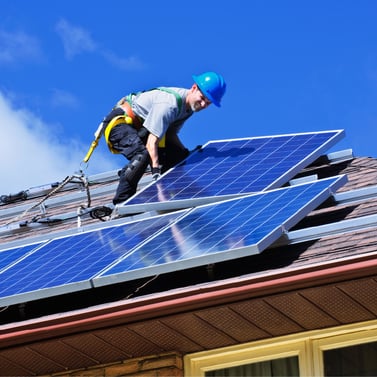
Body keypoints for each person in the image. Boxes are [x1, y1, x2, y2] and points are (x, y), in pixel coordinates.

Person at [101, 71, 226, 205]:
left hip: (142, 130)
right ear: (194, 88)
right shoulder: (170, 104)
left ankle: (177, 193)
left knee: (179, 156)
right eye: (202, 98)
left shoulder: (188, 109)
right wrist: (156, 173)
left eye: (207, 103)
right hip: (119, 125)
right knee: (142, 156)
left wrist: (186, 153)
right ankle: (122, 203)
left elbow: (170, 134)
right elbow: (151, 143)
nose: (202, 105)